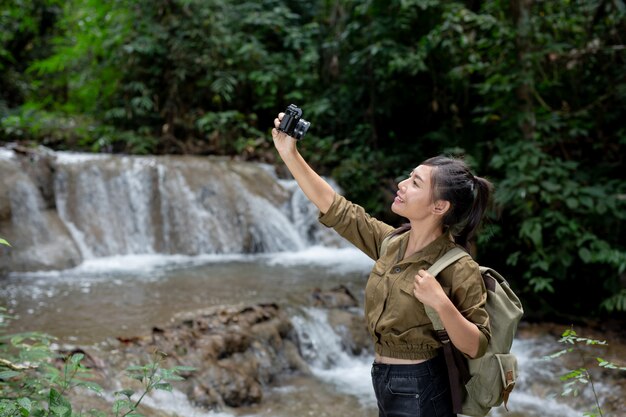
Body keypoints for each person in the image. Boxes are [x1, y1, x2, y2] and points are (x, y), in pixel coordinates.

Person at [272, 112, 492, 417]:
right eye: (409, 176)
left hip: (422, 388)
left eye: (415, 183)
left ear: (439, 206)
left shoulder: (458, 266)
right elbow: (337, 209)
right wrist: (290, 153)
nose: (401, 184)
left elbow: (476, 345)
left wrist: (442, 304)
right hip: (383, 380)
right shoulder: (391, 243)